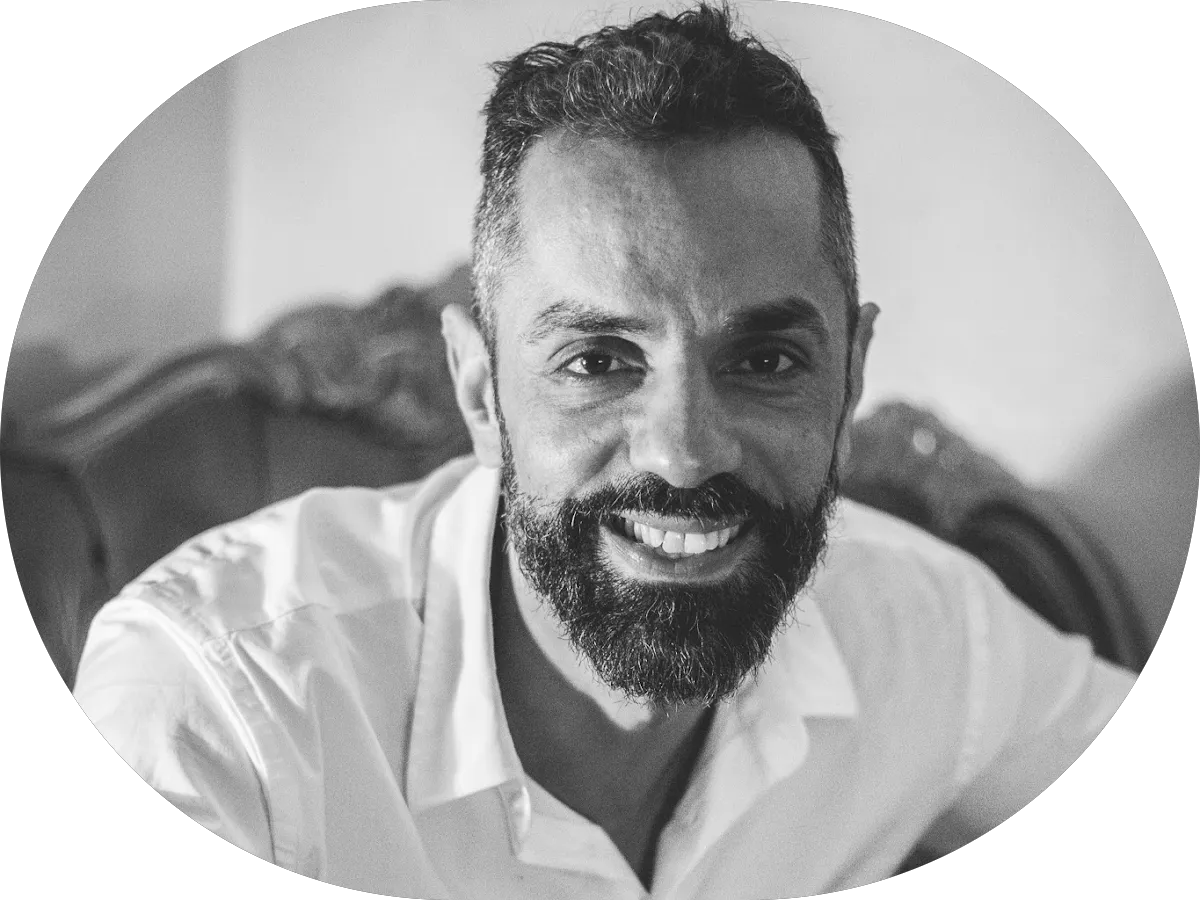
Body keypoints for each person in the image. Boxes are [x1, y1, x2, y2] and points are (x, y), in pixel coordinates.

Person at [72, 4, 1137, 897]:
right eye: (597, 360)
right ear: (480, 389)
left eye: (766, 360)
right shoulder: (222, 711)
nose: (684, 453)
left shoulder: (927, 634)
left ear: (851, 373)